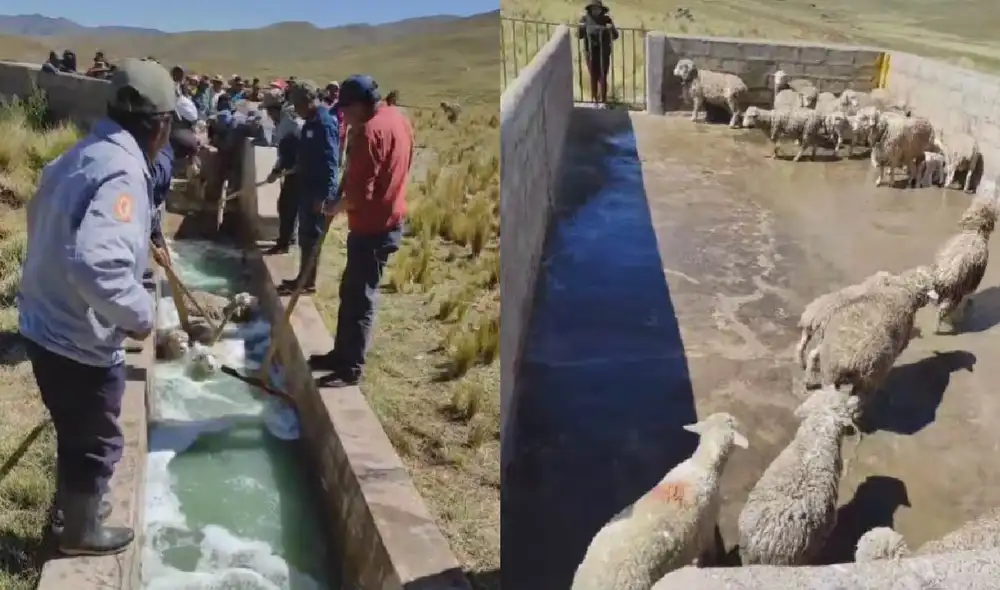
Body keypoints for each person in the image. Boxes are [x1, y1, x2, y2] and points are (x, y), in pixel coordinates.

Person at [17, 58, 175, 556]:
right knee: (97, 442)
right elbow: (96, 265)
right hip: (77, 339)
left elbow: (38, 218)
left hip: (43, 324)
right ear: (161, 126)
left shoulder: (81, 155)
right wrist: (139, 315)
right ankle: (82, 534)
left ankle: (80, 508)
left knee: (75, 431)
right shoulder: (125, 174)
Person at [308, 75, 412, 387]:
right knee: (350, 292)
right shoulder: (398, 117)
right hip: (388, 218)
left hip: (373, 228)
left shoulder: (369, 132)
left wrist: (331, 208)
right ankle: (341, 354)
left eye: (346, 109)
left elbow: (358, 196)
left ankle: (350, 368)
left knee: (360, 297)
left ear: (359, 105)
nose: (344, 116)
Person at [265, 80, 339, 295]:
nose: (295, 110)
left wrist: (325, 196)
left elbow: (330, 162)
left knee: (312, 237)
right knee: (305, 236)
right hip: (305, 186)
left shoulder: (324, 124)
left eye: (297, 105)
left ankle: (307, 282)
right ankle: (303, 278)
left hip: (317, 191)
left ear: (308, 101)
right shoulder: (310, 121)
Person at [262, 90, 302, 255]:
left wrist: (277, 170)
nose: (268, 115)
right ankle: (289, 238)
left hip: (299, 168)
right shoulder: (284, 121)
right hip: (294, 167)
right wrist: (276, 170)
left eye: (269, 111)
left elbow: (289, 150)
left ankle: (284, 243)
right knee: (288, 206)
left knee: (287, 206)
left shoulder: (289, 124)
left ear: (274, 109)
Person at [578, 1, 618, 105]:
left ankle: (603, 99)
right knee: (593, 75)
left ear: (601, 10)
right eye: (594, 8)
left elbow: (615, 36)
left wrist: (611, 29)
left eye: (598, 8)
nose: (596, 10)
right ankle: (594, 99)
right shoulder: (585, 19)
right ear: (590, 9)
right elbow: (578, 35)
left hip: (604, 52)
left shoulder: (606, 19)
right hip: (590, 52)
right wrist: (581, 28)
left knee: (603, 75)